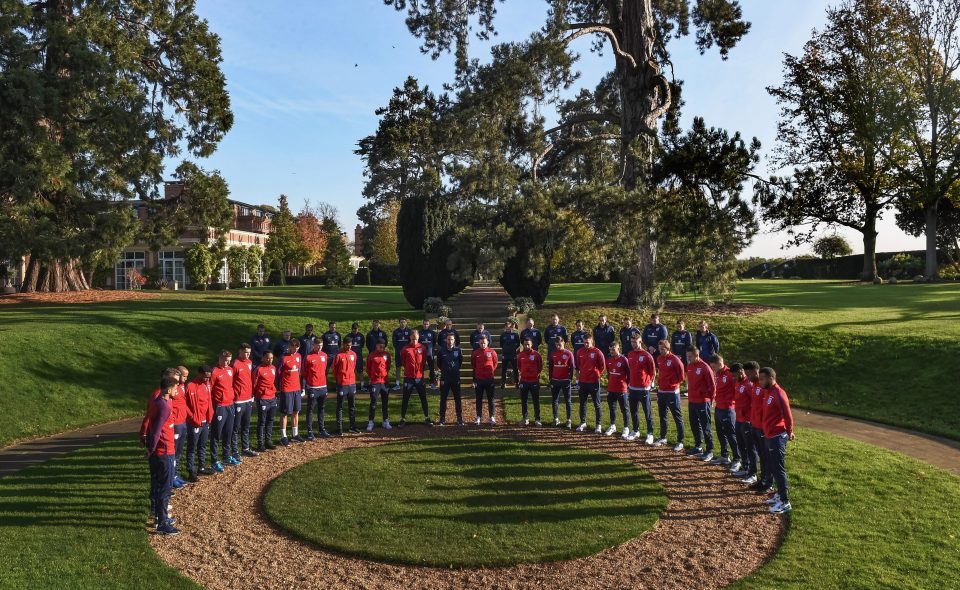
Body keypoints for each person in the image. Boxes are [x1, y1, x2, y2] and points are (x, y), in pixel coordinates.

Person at [145, 373, 181, 535]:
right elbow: (156, 431)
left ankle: (160, 517)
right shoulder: (164, 406)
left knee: (161, 486)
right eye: (175, 388)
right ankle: (162, 522)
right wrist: (151, 449)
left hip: (162, 451)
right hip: (164, 451)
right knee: (165, 488)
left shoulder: (159, 402)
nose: (177, 391)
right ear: (168, 389)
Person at [758, 367, 795, 514]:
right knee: (773, 466)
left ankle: (785, 502)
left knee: (778, 469)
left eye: (762, 379)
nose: (760, 382)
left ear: (770, 378)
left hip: (777, 436)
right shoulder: (768, 392)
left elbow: (788, 415)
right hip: (769, 435)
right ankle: (779, 495)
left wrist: (790, 432)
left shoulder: (779, 393)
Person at [710, 354, 740, 469]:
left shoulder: (729, 374)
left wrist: (733, 404)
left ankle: (737, 459)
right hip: (719, 407)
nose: (713, 369)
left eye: (714, 367)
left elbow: (736, 390)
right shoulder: (717, 374)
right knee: (720, 433)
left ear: (720, 363)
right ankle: (724, 455)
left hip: (728, 409)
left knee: (731, 435)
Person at [210, 350, 238, 471]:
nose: (227, 363)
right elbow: (209, 390)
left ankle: (226, 456)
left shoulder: (230, 370)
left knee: (228, 432)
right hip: (219, 406)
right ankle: (214, 460)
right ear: (220, 358)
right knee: (217, 434)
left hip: (230, 404)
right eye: (226, 360)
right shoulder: (214, 372)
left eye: (229, 361)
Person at [685, 347, 716, 461]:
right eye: (687, 356)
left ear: (697, 355)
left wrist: (711, 400)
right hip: (692, 401)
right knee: (694, 425)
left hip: (703, 401)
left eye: (690, 356)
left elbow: (712, 386)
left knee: (705, 426)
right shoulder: (689, 366)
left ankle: (710, 450)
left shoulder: (705, 368)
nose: (688, 359)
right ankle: (698, 447)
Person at [655, 340, 685, 452]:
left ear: (668, 349)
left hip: (672, 392)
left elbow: (682, 377)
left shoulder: (675, 360)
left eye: (662, 349)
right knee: (662, 416)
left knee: (677, 417)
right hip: (661, 391)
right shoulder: (659, 358)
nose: (660, 351)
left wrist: (672, 383)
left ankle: (680, 441)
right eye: (659, 349)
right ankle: (662, 438)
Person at [184, 366, 213, 481]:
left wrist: (209, 416)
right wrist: (192, 417)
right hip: (195, 422)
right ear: (199, 374)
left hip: (205, 421)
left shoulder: (207, 385)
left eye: (209, 377)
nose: (207, 379)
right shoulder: (190, 386)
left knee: (202, 445)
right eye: (205, 377)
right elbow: (184, 404)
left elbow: (208, 401)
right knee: (192, 447)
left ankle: (201, 467)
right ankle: (191, 471)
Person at [626, 335, 656, 444]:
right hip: (632, 387)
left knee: (647, 412)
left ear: (640, 342)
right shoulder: (630, 354)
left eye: (635, 342)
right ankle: (635, 431)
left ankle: (650, 434)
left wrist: (650, 383)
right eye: (632, 342)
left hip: (644, 388)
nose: (633, 344)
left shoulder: (647, 355)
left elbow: (653, 371)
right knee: (633, 411)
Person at [399, 330, 432, 427]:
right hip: (408, 377)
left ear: (418, 338)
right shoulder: (405, 349)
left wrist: (419, 371)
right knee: (405, 398)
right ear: (410, 338)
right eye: (413, 339)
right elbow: (403, 362)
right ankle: (402, 419)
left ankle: (426, 417)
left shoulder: (423, 348)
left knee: (423, 398)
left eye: (416, 339)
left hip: (419, 377)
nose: (414, 340)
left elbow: (424, 360)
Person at [744, 361, 768, 490]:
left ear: (755, 372)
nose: (746, 376)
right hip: (754, 425)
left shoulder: (763, 386)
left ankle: (766, 481)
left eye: (748, 373)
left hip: (762, 427)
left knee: (765, 456)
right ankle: (762, 479)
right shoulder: (753, 385)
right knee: (760, 453)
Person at [575, 334, 605, 433]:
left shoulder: (597, 352)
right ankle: (583, 422)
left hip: (594, 382)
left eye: (588, 342)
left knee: (597, 404)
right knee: (582, 403)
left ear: (592, 341)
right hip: (583, 382)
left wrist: (597, 375)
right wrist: (578, 379)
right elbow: (578, 367)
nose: (586, 344)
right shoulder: (580, 352)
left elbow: (602, 366)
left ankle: (598, 425)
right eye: (584, 342)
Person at [231, 345, 257, 458]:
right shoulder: (235, 364)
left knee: (246, 426)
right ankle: (235, 451)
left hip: (248, 399)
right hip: (238, 400)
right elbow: (230, 382)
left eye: (249, 352)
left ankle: (245, 448)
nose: (247, 354)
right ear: (240, 351)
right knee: (235, 427)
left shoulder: (249, 362)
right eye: (246, 352)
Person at [731, 363, 757, 480]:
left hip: (747, 421)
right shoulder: (738, 383)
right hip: (739, 419)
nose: (734, 378)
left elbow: (754, 403)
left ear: (741, 372)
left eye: (735, 376)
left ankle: (753, 473)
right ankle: (745, 467)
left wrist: (750, 418)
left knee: (750, 447)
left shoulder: (749, 385)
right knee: (741, 445)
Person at [278, 338, 303, 446]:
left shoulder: (299, 356)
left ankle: (295, 434)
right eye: (294, 348)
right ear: (289, 347)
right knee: (285, 413)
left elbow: (299, 371)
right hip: (286, 389)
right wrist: (280, 387)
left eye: (297, 348)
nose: (295, 350)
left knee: (296, 411)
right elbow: (278, 374)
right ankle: (283, 436)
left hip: (296, 388)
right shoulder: (283, 358)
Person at [302, 342, 329, 439]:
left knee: (321, 409)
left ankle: (321, 429)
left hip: (323, 386)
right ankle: (310, 431)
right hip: (313, 387)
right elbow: (304, 372)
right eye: (318, 345)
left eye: (321, 345)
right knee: (310, 409)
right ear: (313, 345)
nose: (320, 347)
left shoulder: (325, 355)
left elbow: (325, 370)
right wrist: (309, 383)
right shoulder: (308, 357)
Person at [436, 333, 464, 426]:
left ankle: (459, 418)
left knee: (457, 399)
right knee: (443, 399)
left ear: (454, 340)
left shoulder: (458, 350)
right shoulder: (441, 351)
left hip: (455, 378)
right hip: (445, 378)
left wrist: (454, 370)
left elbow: (460, 362)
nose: (450, 341)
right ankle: (442, 418)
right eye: (448, 339)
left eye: (451, 339)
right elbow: (439, 364)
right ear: (446, 340)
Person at [333, 341, 360, 434]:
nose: (349, 347)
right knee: (340, 406)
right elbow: (334, 369)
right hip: (342, 384)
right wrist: (339, 381)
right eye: (347, 345)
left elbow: (354, 367)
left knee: (352, 406)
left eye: (350, 345)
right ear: (343, 344)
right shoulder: (338, 355)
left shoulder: (354, 354)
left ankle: (352, 426)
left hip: (352, 384)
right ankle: (339, 428)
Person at [549, 335, 576, 428]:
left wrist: (570, 378)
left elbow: (572, 367)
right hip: (555, 380)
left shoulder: (569, 353)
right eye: (556, 345)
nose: (558, 346)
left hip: (565, 380)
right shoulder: (553, 353)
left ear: (563, 342)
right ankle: (555, 418)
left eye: (559, 344)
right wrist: (550, 378)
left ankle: (568, 420)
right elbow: (551, 367)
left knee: (568, 400)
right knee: (555, 400)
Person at [253, 352, 277, 451]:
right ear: (263, 358)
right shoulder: (258, 369)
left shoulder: (273, 368)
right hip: (262, 398)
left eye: (271, 358)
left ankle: (268, 441)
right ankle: (260, 443)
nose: (270, 360)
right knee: (262, 421)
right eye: (267, 358)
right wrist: (257, 395)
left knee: (270, 420)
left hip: (272, 397)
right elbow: (254, 384)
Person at [605, 342, 630, 438]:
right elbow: (609, 373)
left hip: (621, 389)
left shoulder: (624, 360)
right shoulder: (609, 360)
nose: (611, 351)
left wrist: (625, 385)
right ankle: (612, 426)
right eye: (610, 350)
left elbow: (629, 374)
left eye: (613, 349)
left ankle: (626, 428)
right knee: (612, 408)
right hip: (611, 388)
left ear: (618, 348)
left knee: (624, 409)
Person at [471, 335, 498, 425]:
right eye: (481, 343)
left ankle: (492, 417)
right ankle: (478, 417)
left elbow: (495, 364)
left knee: (491, 399)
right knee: (479, 399)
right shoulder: (475, 353)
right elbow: (473, 365)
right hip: (479, 379)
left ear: (488, 343)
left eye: (484, 343)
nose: (483, 344)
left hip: (489, 379)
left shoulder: (492, 352)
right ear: (479, 343)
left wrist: (490, 372)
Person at [365, 340, 392, 431]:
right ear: (376, 346)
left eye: (383, 346)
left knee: (385, 402)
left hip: (384, 382)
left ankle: (385, 421)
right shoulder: (371, 355)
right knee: (373, 403)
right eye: (380, 346)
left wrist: (384, 375)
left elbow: (388, 366)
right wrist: (372, 377)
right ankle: (371, 422)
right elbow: (368, 368)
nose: (382, 348)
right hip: (375, 382)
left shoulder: (387, 355)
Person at [170, 367, 189, 488]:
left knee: (179, 452)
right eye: (184, 376)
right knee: (173, 452)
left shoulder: (182, 387)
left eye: (187, 376)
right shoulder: (172, 389)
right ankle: (171, 477)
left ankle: (175, 474)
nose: (186, 379)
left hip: (183, 422)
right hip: (175, 423)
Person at [517, 338, 543, 426]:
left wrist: (535, 375)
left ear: (531, 345)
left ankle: (537, 419)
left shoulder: (536, 355)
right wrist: (524, 374)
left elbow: (540, 367)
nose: (527, 346)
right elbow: (519, 366)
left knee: (536, 401)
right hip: (524, 381)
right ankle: (525, 418)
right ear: (523, 345)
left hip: (534, 381)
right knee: (524, 401)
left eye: (528, 344)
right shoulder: (520, 355)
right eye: (525, 344)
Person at [391, 318, 412, 390]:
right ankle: (397, 384)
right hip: (398, 353)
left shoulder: (409, 331)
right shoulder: (396, 332)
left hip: (407, 353)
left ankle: (407, 383)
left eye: (404, 322)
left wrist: (407, 351)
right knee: (398, 368)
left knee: (407, 368)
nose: (402, 323)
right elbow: (394, 343)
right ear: (399, 323)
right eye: (401, 322)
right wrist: (399, 350)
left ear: (406, 323)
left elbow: (411, 342)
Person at [499, 320, 520, 389]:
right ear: (505, 327)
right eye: (506, 327)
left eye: (509, 327)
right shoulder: (502, 335)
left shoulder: (515, 334)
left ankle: (517, 383)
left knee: (515, 369)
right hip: (505, 354)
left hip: (513, 354)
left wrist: (513, 348)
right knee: (504, 369)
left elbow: (518, 344)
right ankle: (503, 383)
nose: (508, 328)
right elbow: (501, 344)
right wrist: (506, 349)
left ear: (511, 327)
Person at [419, 319, 437, 387]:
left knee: (431, 368)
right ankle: (421, 382)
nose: (425, 325)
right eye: (424, 324)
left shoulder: (432, 333)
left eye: (427, 324)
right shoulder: (420, 333)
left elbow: (434, 342)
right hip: (421, 354)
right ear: (422, 324)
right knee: (421, 368)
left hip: (430, 354)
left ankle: (432, 382)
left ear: (429, 325)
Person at [347, 323, 365, 390]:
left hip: (359, 356)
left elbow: (362, 345)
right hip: (350, 357)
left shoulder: (361, 336)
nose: (355, 330)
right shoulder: (348, 336)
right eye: (354, 328)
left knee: (360, 371)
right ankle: (351, 385)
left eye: (356, 328)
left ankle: (362, 385)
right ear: (352, 329)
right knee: (351, 371)